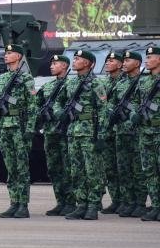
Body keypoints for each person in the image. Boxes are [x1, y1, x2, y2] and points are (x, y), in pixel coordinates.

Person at [54, 50, 108, 220]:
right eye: (75, 58)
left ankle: (93, 205)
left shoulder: (96, 84)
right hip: (73, 132)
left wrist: (101, 135)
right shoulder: (70, 84)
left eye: (78, 59)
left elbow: (104, 110)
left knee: (92, 171)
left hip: (90, 132)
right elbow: (58, 101)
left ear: (87, 63)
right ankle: (81, 204)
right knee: (76, 171)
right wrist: (59, 113)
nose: (75, 61)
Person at [0, 44, 35, 218]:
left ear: (19, 57)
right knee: (10, 167)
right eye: (5, 53)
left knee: (21, 167)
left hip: (19, 127)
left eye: (10, 53)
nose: (6, 56)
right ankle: (14, 202)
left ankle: (23, 205)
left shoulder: (26, 78)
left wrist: (30, 129)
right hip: (5, 127)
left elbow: (32, 106)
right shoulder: (1, 79)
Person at [32, 54, 73, 216]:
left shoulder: (72, 85)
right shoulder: (47, 87)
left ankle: (71, 202)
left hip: (66, 132)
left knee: (68, 167)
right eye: (51, 63)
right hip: (50, 132)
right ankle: (60, 202)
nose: (51, 66)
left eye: (55, 63)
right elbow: (37, 106)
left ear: (64, 66)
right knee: (54, 168)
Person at [113, 50, 147, 218]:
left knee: (138, 170)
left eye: (128, 61)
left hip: (137, 133)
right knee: (124, 169)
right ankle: (129, 202)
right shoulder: (120, 84)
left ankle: (140, 203)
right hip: (121, 133)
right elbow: (112, 104)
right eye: (124, 60)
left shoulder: (144, 82)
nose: (124, 63)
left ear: (137, 63)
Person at [133, 46, 160, 221]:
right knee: (150, 171)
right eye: (146, 57)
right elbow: (135, 102)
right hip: (145, 132)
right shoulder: (142, 82)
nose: (147, 60)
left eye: (150, 57)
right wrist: (133, 114)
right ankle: (156, 206)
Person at [99, 51, 124, 213]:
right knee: (109, 168)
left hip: (123, 131)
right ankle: (116, 200)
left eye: (112, 61)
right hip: (106, 131)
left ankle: (129, 201)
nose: (107, 63)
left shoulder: (127, 82)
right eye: (107, 60)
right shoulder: (102, 83)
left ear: (120, 64)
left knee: (125, 168)